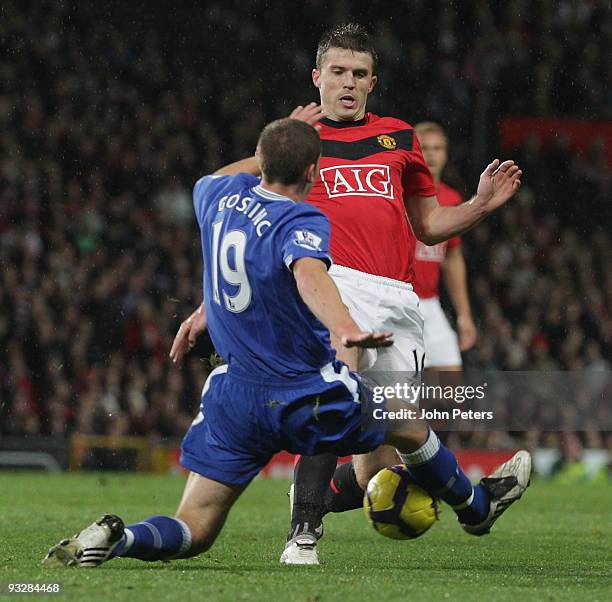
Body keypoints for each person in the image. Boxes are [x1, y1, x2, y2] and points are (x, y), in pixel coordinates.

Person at [42, 117, 525, 569]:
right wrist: (345, 327)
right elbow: (312, 277)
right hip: (298, 392)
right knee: (406, 423)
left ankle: (119, 539)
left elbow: (225, 194)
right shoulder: (302, 221)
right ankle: (475, 507)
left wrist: (206, 306)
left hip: (233, 397)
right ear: (314, 172)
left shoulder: (214, 197)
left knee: (196, 528)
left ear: (257, 159)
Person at [196, 23, 529, 566]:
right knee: (335, 385)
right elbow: (221, 190)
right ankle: (302, 535)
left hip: (398, 298)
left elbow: (427, 224)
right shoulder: (295, 141)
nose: (347, 83)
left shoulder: (400, 137)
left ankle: (448, 506)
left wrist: (479, 206)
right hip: (331, 285)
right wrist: (272, 147)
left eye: (358, 74)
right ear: (317, 77)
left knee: (379, 460)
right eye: (337, 72)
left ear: (372, 82)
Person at [413, 121, 477, 371]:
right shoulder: (397, 194)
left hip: (431, 304)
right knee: (401, 397)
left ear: (446, 154)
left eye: (438, 148)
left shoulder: (451, 199)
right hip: (398, 302)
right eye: (425, 147)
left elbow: (452, 257)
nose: (431, 154)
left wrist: (464, 314)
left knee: (452, 390)